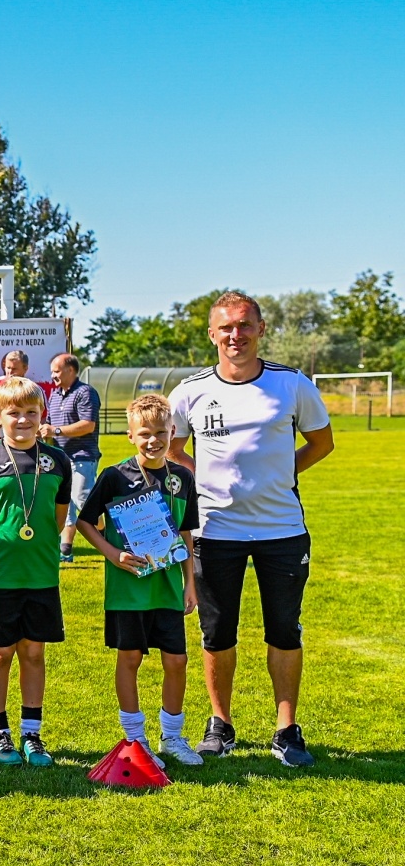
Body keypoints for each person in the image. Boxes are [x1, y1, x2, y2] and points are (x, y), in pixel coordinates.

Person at [167, 290, 335, 766]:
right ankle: (220, 724)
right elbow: (174, 450)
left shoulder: (292, 384)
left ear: (261, 329)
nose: (235, 335)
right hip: (215, 531)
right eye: (226, 327)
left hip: (282, 530)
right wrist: (205, 480)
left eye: (244, 325)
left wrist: (281, 474)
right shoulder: (190, 391)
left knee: (284, 630)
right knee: (217, 633)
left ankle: (286, 729)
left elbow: (322, 442)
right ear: (212, 334)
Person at [0, 376, 72, 767]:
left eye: (31, 412)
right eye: (14, 413)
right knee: (1, 652)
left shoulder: (57, 461)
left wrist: (38, 547)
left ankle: (32, 734)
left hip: (40, 574)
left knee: (34, 652)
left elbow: (57, 517)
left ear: (42, 415)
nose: (23, 420)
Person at [77, 395, 202, 767]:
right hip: (128, 590)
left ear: (173, 432)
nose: (153, 440)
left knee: (177, 661)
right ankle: (135, 739)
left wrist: (190, 582)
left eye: (160, 432)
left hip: (167, 588)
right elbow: (85, 522)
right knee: (130, 658)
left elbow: (185, 532)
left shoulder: (182, 478)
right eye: (144, 433)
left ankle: (173, 738)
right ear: (130, 435)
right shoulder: (115, 476)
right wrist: (112, 554)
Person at [42, 352, 101, 563]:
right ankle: (65, 550)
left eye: (56, 371)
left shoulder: (86, 392)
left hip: (82, 457)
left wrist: (56, 431)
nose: (53, 376)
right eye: (52, 372)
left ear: (71, 370)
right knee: (65, 505)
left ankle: (109, 537)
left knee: (83, 500)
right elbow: (49, 425)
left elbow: (88, 425)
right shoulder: (55, 394)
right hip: (61, 459)